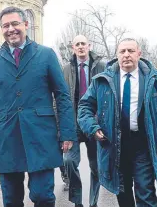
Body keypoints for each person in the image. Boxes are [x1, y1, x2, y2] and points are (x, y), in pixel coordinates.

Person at [0, 6, 77, 207]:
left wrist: (67, 133)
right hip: (8, 137)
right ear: (1, 29)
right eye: (5, 26)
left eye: (15, 24)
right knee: (11, 199)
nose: (10, 29)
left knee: (43, 196)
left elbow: (62, 96)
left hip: (41, 136)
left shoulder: (46, 55)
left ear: (26, 25)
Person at [77, 38, 157, 207]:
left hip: (144, 146)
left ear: (139, 54)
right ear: (117, 55)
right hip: (115, 146)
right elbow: (84, 107)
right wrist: (92, 127)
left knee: (145, 193)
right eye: (122, 51)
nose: (126, 55)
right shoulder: (102, 81)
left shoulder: (155, 80)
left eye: (131, 51)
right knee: (123, 192)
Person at [60, 35, 105, 207]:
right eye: (77, 44)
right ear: (73, 47)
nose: (80, 47)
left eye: (83, 44)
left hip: (94, 124)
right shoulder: (65, 70)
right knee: (69, 161)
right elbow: (60, 99)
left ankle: (93, 203)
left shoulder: (102, 66)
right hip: (73, 125)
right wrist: (61, 130)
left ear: (89, 46)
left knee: (97, 167)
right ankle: (77, 202)